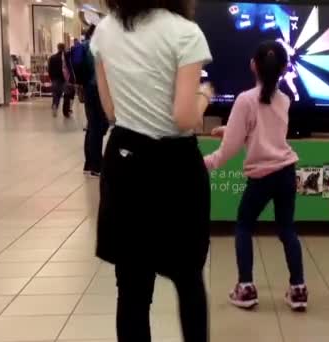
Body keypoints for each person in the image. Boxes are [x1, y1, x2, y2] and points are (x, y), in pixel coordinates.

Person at [91, 0, 213, 340]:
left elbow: (111, 110)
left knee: (131, 287)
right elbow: (185, 117)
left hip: (125, 162)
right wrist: (205, 94)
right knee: (188, 279)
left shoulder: (105, 30)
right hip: (175, 167)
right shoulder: (185, 33)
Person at [204, 40, 308, 312]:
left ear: (253, 65)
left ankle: (246, 288)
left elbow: (231, 149)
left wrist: (205, 163)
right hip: (285, 172)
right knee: (287, 230)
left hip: (261, 177)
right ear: (285, 68)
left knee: (243, 227)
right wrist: (230, 128)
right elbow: (264, 129)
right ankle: (298, 290)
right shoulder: (284, 100)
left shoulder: (245, 99)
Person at [75, 24, 108, 177]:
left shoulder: (84, 46)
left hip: (88, 88)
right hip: (98, 89)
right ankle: (96, 165)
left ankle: (89, 164)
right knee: (99, 126)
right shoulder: (98, 47)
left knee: (92, 125)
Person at [48, 43, 74, 118]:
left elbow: (49, 70)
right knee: (67, 95)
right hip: (65, 79)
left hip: (55, 79)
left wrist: (52, 78)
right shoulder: (67, 57)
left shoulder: (52, 58)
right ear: (64, 48)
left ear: (57, 48)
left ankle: (55, 105)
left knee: (56, 94)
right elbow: (70, 68)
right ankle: (66, 112)